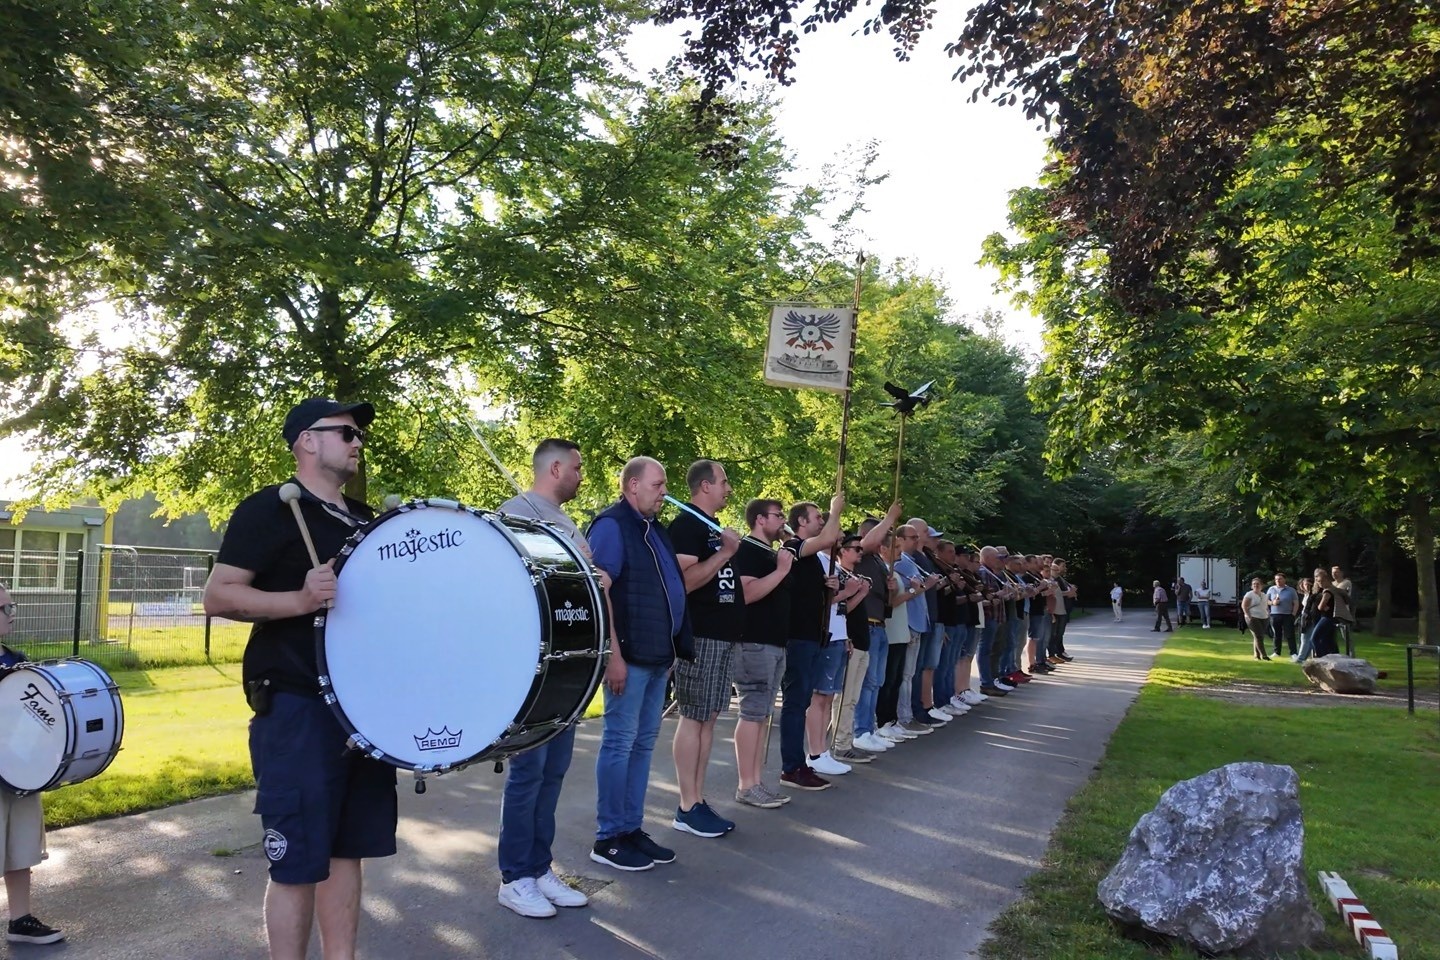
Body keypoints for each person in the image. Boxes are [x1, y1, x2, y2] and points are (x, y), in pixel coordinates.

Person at [204, 398, 396, 960]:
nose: (357, 441)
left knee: (346, 852)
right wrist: (301, 598)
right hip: (296, 708)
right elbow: (218, 595)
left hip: (361, 715)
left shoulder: (367, 523)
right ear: (307, 441)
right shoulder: (271, 509)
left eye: (358, 433)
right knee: (296, 864)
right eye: (346, 432)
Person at [494, 439, 597, 917]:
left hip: (566, 665)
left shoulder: (566, 522)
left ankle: (539, 867)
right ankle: (514, 876)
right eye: (576, 468)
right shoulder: (514, 514)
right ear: (555, 468)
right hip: (530, 668)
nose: (580, 475)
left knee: (553, 771)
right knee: (528, 773)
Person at [586, 457, 693, 871]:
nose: (664, 492)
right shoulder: (613, 526)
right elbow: (601, 591)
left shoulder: (654, 529)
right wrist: (612, 653)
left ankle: (631, 828)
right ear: (633, 485)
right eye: (658, 484)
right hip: (628, 659)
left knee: (642, 744)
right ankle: (608, 836)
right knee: (619, 742)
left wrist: (670, 651)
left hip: (656, 658)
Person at [668, 460, 743, 839]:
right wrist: (725, 554)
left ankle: (697, 800)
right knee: (693, 717)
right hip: (700, 636)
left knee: (710, 717)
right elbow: (684, 581)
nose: (728, 488)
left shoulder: (714, 528)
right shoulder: (686, 526)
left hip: (723, 635)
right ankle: (685, 805)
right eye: (724, 481)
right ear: (705, 486)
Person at [1, 583, 65, 946]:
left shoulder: (15, 660)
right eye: (5, 609)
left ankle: (20, 920)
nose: (12, 615)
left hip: (17, 773)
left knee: (19, 846)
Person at [778, 496, 846, 791]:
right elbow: (830, 536)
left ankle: (800, 763)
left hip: (813, 636)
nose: (821, 521)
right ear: (801, 522)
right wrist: (836, 511)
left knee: (803, 701)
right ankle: (791, 767)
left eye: (823, 516)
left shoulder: (813, 559)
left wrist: (827, 586)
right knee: (795, 703)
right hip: (797, 638)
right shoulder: (793, 547)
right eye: (816, 517)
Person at [730, 499, 794, 808]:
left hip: (774, 642)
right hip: (754, 642)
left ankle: (756, 781)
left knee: (762, 713)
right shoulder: (747, 550)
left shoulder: (772, 552)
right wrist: (781, 571)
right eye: (778, 515)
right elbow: (747, 593)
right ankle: (747, 784)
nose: (783, 520)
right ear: (759, 519)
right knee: (752, 712)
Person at [1309, 568, 1341, 657]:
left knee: (1314, 638)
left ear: (1325, 580)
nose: (1319, 584)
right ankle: (1336, 658)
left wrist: (1324, 607)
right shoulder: (1334, 589)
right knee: (1329, 640)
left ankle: (1322, 658)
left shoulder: (1327, 591)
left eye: (1320, 582)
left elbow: (1320, 607)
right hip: (1332, 618)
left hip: (1327, 618)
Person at [1265, 573, 1299, 658]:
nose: (1278, 581)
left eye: (1280, 579)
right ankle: (1276, 652)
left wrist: (1293, 614)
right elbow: (1266, 601)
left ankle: (1293, 653)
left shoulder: (1291, 590)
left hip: (1287, 615)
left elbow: (1296, 602)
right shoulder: (1271, 589)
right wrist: (1272, 603)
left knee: (1290, 634)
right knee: (1276, 634)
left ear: (1284, 580)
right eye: (1276, 579)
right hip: (1275, 615)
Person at [1241, 577, 1271, 660]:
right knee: (1259, 636)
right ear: (1251, 586)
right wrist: (1249, 616)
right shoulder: (1249, 594)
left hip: (1264, 617)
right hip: (1253, 617)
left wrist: (1268, 613)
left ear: (1262, 586)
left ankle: (1256, 656)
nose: (1256, 585)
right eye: (1254, 584)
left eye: (1257, 584)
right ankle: (1264, 655)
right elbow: (1244, 606)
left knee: (1258, 636)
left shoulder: (1264, 595)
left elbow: (1266, 606)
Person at [1330, 566, 1356, 655]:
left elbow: (1337, 592)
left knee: (1346, 635)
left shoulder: (1346, 582)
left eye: (1336, 572)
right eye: (1333, 572)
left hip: (1343, 612)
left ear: (1341, 573)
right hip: (1332, 611)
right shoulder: (1331, 584)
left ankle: (1351, 654)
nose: (1334, 574)